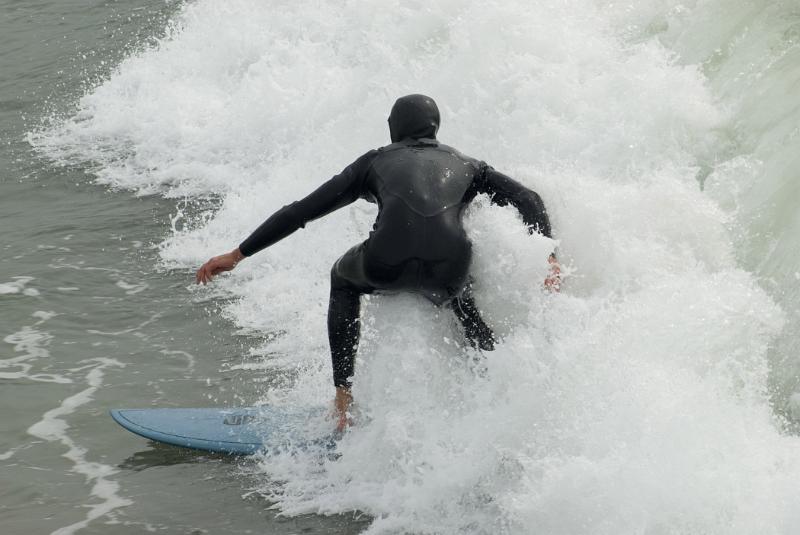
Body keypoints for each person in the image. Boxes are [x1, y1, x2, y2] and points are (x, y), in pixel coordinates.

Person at [196, 94, 558, 431]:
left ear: (392, 127)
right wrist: (548, 257)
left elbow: (301, 211)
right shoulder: (469, 165)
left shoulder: (375, 161)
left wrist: (238, 254)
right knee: (460, 297)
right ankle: (506, 396)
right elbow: (529, 198)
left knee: (343, 278)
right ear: (435, 127)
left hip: (386, 264)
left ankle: (343, 398)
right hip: (448, 269)